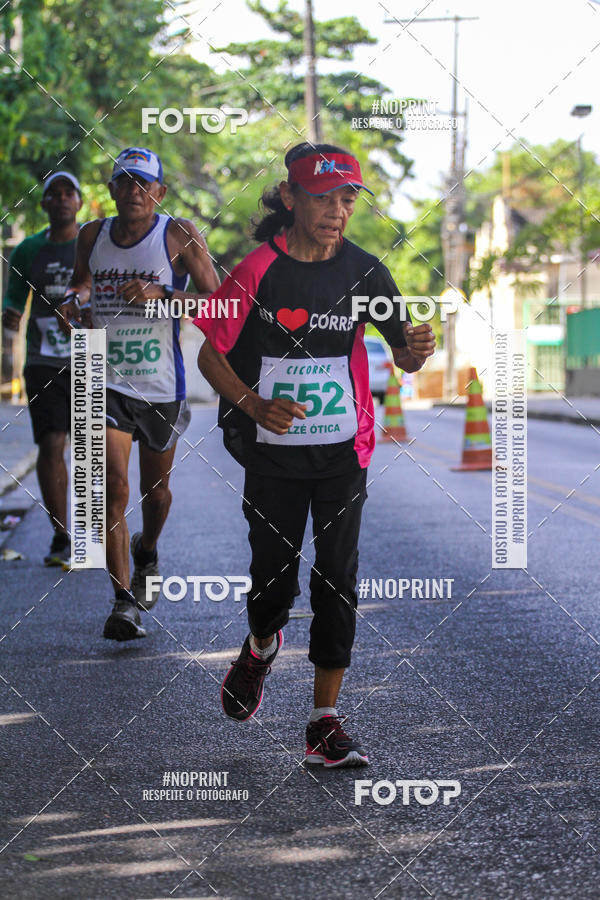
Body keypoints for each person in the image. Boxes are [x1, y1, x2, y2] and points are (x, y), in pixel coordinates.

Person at [196, 142, 435, 767]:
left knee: (338, 576)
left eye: (348, 198)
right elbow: (210, 355)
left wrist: (417, 348)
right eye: (324, 197)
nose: (338, 210)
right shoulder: (254, 272)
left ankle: (324, 722)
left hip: (342, 450)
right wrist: (253, 404)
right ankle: (259, 646)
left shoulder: (365, 271)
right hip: (272, 452)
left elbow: (404, 355)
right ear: (291, 198)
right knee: (273, 577)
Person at [57, 147, 219, 641]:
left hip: (161, 384)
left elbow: (221, 300)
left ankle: (148, 548)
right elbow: (82, 284)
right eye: (124, 182)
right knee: (113, 488)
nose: (134, 192)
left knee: (156, 492)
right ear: (110, 189)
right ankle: (123, 602)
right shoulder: (93, 234)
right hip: (103, 376)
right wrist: (73, 301)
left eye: (144, 183)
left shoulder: (178, 234)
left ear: (160, 192)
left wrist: (163, 296)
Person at [2, 172, 83, 567]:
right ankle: (61, 535)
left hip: (89, 358)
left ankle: (93, 531)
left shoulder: (94, 242)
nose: (63, 199)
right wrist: (10, 318)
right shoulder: (28, 251)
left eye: (70, 193)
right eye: (55, 193)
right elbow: (14, 302)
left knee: (91, 449)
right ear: (44, 204)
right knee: (52, 445)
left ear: (80, 203)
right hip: (43, 361)